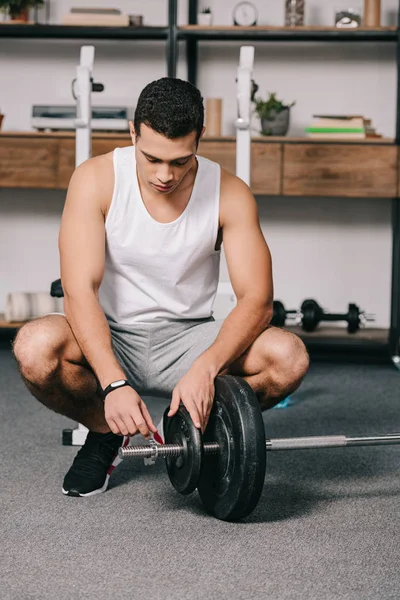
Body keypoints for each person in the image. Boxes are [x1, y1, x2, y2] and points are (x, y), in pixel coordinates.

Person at [12, 77, 309, 498]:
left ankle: (193, 424)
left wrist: (206, 368)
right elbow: (80, 290)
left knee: (288, 357)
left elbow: (257, 301)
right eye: (151, 158)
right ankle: (105, 431)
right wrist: (114, 386)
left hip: (190, 338)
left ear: (200, 138)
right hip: (112, 334)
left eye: (180, 161)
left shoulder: (231, 194)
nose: (164, 175)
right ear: (133, 132)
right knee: (34, 347)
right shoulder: (96, 180)